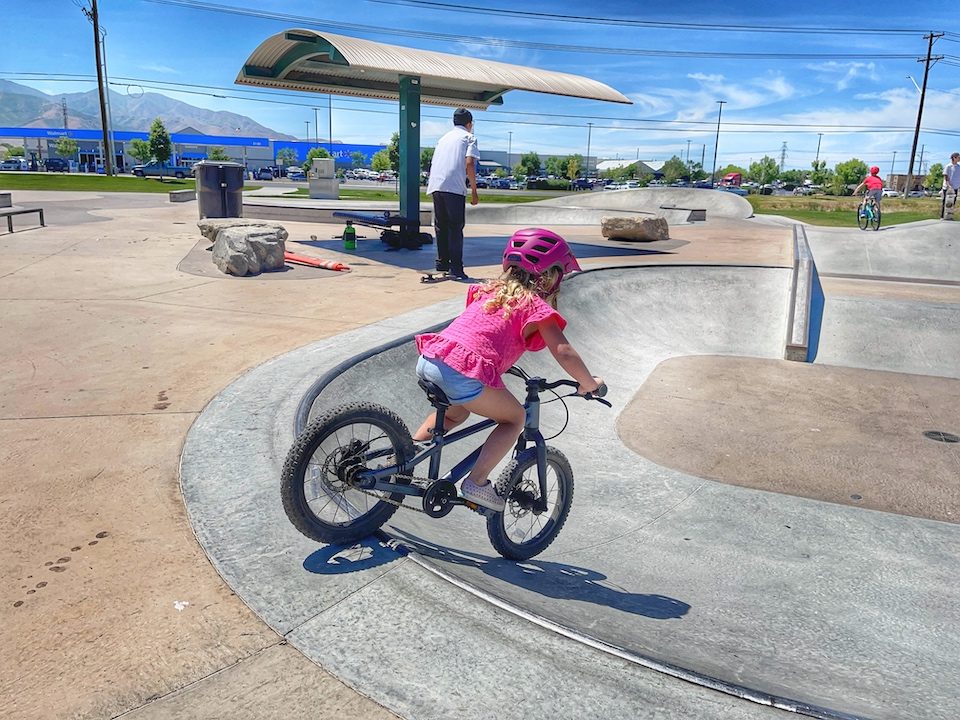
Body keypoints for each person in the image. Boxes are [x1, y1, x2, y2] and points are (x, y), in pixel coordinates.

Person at [412, 228, 603, 511]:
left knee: (456, 412)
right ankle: (476, 482)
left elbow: (483, 333)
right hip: (462, 373)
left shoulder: (485, 291)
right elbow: (563, 351)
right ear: (550, 275)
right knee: (515, 418)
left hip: (431, 358)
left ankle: (405, 453)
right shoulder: (535, 306)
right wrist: (589, 382)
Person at [426, 107, 480, 280]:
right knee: (455, 228)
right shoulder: (469, 137)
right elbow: (470, 163)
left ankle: (442, 263)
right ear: (469, 124)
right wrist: (474, 190)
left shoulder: (443, 139)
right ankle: (456, 268)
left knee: (441, 226)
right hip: (454, 188)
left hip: (436, 185)